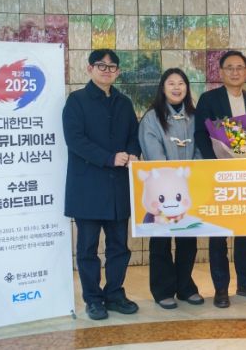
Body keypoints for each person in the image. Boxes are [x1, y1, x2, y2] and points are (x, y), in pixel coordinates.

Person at [62, 49, 141, 320]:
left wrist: (133, 153)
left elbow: (134, 135)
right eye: (101, 65)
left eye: (112, 67)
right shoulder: (76, 101)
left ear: (118, 72)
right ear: (89, 69)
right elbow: (75, 140)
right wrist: (109, 158)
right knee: (88, 249)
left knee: (119, 246)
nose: (107, 71)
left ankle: (115, 294)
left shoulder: (124, 102)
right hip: (88, 188)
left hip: (118, 187)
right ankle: (93, 299)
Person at [194, 50, 246, 308]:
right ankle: (221, 288)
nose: (235, 72)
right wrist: (215, 165)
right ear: (221, 72)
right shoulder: (209, 99)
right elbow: (200, 134)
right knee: (219, 233)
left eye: (239, 67)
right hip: (219, 176)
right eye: (230, 68)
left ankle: (245, 283)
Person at [138, 68, 204, 310]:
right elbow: (153, 153)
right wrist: (172, 176)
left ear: (187, 88)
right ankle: (163, 290)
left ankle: (185, 286)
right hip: (161, 192)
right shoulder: (151, 118)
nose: (177, 88)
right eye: (171, 83)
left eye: (181, 83)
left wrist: (192, 171)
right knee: (161, 242)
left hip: (186, 189)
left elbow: (201, 146)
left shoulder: (195, 116)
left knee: (188, 239)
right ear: (163, 88)